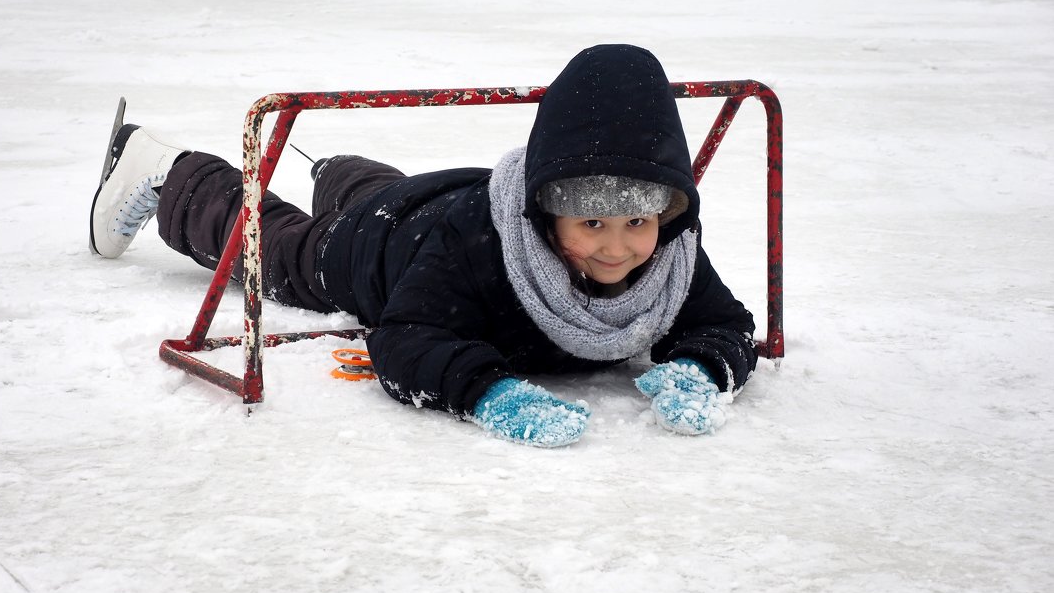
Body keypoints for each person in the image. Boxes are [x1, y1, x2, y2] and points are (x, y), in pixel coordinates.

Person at [90, 44, 758, 447]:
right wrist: (488, 391)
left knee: (389, 192)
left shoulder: (670, 253)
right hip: (380, 246)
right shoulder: (474, 249)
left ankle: (335, 167)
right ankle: (168, 170)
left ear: (666, 212)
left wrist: (702, 366)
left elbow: (723, 323)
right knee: (289, 251)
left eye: (636, 224)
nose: (616, 249)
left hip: (434, 198)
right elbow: (404, 337)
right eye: (591, 225)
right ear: (543, 208)